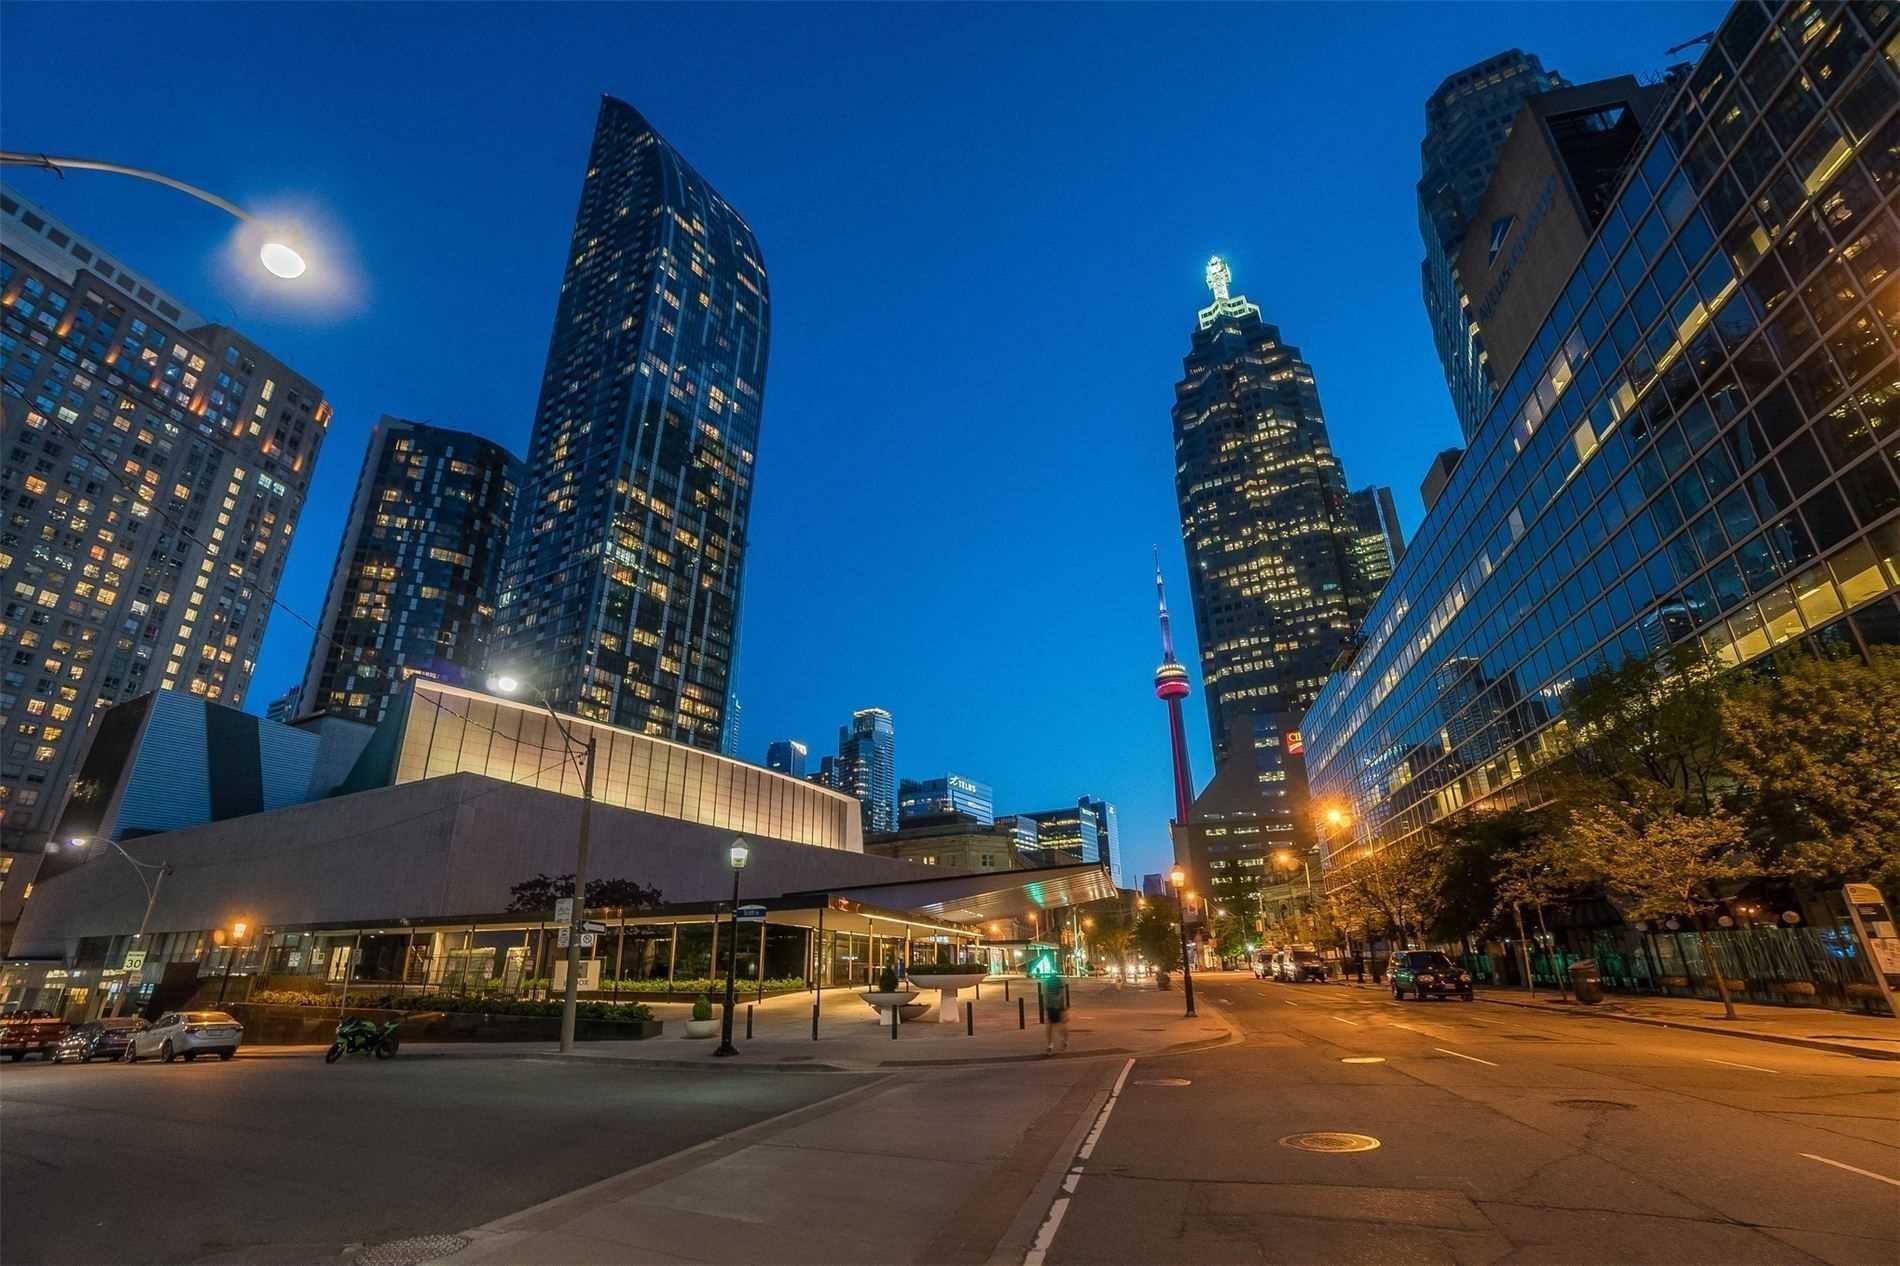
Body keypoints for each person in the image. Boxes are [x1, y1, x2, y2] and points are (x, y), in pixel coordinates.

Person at [1039, 970, 1069, 1055]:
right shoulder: (1058, 982)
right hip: (1055, 1007)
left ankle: (1052, 1044)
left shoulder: (1048, 982)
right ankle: (1059, 1042)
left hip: (1054, 1007)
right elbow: (1061, 995)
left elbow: (1045, 995)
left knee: (1052, 1027)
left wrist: (1046, 1006)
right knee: (1057, 1026)